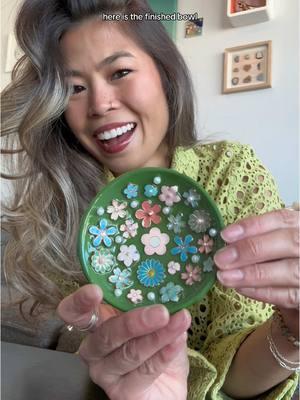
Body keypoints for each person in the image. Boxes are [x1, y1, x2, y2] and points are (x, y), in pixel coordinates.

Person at [1, 0, 299, 399]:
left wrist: (293, 333)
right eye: (75, 88)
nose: (100, 104)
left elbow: (238, 377)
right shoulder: (67, 210)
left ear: (165, 73)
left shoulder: (232, 170)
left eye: (120, 72)